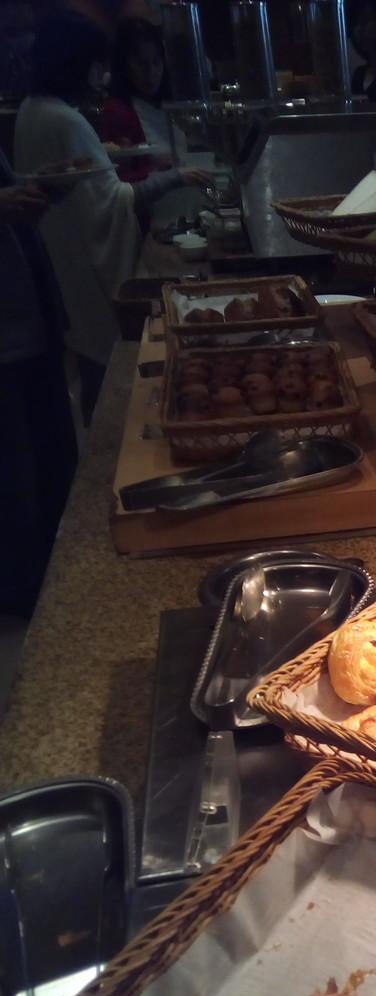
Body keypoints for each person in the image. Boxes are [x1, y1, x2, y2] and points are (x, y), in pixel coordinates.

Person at [14, 13, 203, 419]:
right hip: (83, 263)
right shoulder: (64, 119)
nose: (101, 75)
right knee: (105, 369)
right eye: (96, 64)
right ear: (76, 63)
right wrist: (175, 177)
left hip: (63, 258)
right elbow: (113, 200)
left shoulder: (32, 109)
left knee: (89, 360)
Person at [0, 152, 78, 618]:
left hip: (31, 325)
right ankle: (25, 598)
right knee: (15, 480)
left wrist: (33, 187)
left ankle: (56, 586)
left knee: (53, 464)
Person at [99, 18, 195, 190]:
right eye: (140, 64)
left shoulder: (170, 104)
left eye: (156, 62)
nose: (151, 72)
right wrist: (154, 168)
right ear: (124, 66)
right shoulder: (117, 110)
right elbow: (112, 183)